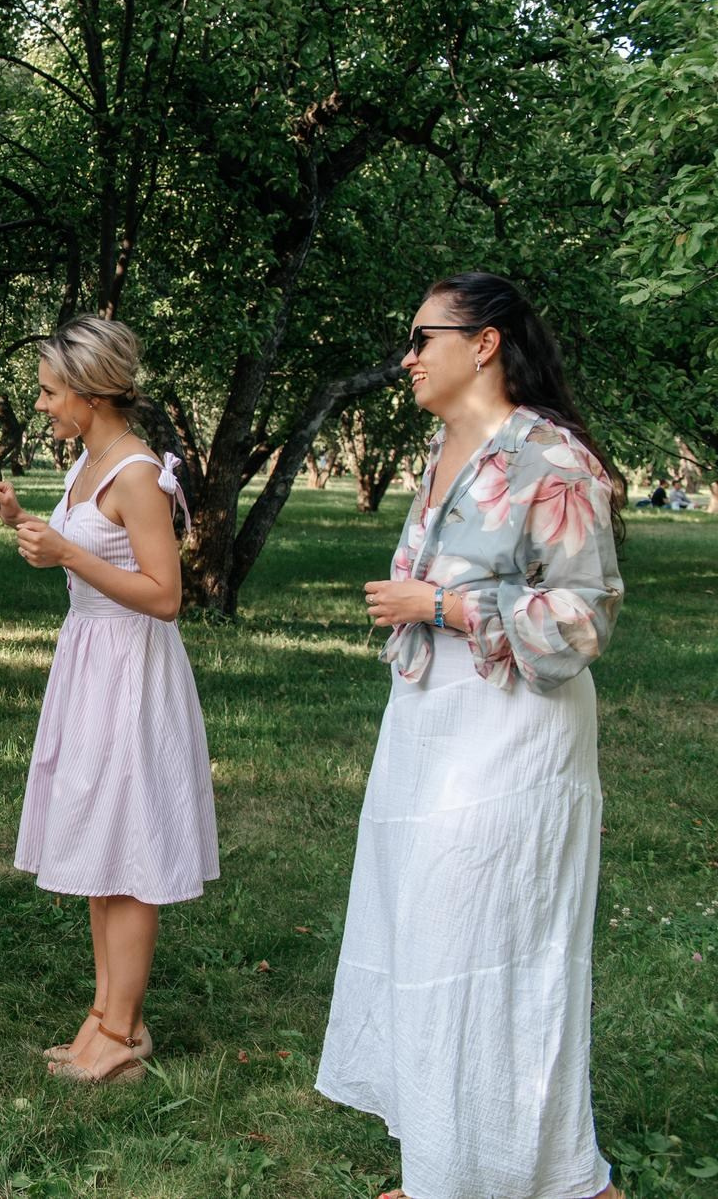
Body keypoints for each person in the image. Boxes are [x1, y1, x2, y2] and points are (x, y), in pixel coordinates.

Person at [319, 272, 626, 1199]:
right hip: (427, 725)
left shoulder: (551, 457)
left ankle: (547, 1175)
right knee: (426, 939)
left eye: (422, 337)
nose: (406, 356)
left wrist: (445, 603)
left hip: (513, 736)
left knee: (487, 941)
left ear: (483, 343)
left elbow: (586, 617)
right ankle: (445, 1162)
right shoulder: (443, 450)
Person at [0, 316, 217, 1085]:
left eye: (52, 391)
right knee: (97, 844)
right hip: (88, 660)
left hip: (131, 670)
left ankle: (122, 1029)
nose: (43, 404)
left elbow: (165, 594)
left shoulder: (138, 473)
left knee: (131, 851)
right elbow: (77, 554)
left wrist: (67, 550)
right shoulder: (89, 460)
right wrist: (22, 520)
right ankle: (107, 1013)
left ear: (90, 391)